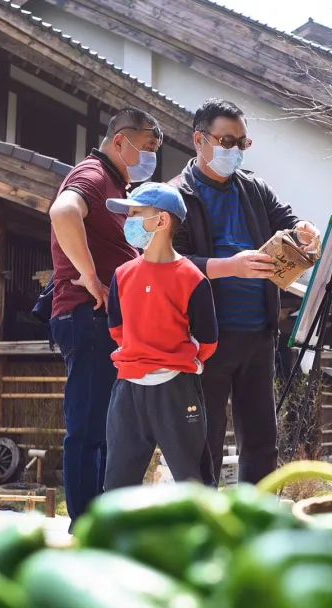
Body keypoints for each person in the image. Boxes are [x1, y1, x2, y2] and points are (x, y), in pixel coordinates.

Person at [170, 99, 320, 484]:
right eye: (226, 141)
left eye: (242, 142)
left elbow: (289, 221)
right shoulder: (176, 195)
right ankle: (202, 520)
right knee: (205, 437)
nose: (234, 150)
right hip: (207, 334)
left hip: (259, 331)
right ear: (199, 140)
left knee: (261, 439)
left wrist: (305, 229)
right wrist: (229, 267)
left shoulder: (255, 188)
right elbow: (169, 262)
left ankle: (257, 519)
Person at [48, 109, 162, 520]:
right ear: (120, 141)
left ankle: (100, 518)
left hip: (107, 321)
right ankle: (83, 522)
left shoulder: (117, 185)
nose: (151, 157)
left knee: (109, 430)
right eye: (147, 147)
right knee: (88, 428)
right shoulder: (94, 174)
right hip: (87, 314)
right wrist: (90, 277)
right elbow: (62, 212)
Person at [102, 183, 218, 488]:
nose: (129, 221)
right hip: (128, 389)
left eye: (137, 213)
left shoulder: (193, 278)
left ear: (162, 221)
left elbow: (207, 342)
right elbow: (116, 330)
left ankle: (206, 535)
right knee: (116, 482)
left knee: (193, 480)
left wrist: (170, 360)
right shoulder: (122, 274)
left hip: (176, 389)